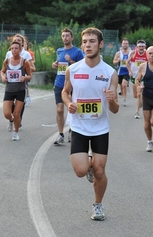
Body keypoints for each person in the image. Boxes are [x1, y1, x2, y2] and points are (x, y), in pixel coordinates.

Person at [62, 27, 119, 221]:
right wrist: (69, 103)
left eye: (92, 41)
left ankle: (98, 205)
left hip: (100, 128)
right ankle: (88, 166)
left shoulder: (110, 73)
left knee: (100, 170)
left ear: (100, 44)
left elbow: (115, 109)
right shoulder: (73, 69)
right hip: (79, 126)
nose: (88, 45)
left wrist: (111, 100)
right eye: (85, 41)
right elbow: (64, 91)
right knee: (80, 171)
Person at [52, 27, 84, 145]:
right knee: (59, 110)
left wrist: (71, 61)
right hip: (60, 83)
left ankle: (72, 130)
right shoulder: (59, 50)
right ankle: (60, 134)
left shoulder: (77, 52)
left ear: (72, 37)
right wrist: (55, 64)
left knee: (72, 109)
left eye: (67, 36)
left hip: (74, 85)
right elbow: (59, 64)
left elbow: (82, 67)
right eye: (63, 36)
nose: (65, 38)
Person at [0, 41, 32, 141]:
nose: (14, 50)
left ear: (20, 50)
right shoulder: (7, 61)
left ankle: (16, 132)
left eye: (16, 48)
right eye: (12, 48)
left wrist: (24, 78)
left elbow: (30, 75)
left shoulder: (24, 62)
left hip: (20, 90)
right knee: (6, 113)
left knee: (17, 113)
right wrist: (3, 77)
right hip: (9, 90)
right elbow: (2, 71)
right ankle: (11, 120)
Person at [5, 34, 35, 131]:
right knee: (10, 106)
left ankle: (18, 121)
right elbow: (5, 68)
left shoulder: (26, 54)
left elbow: (32, 68)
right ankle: (12, 119)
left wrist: (24, 76)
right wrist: (4, 76)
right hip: (10, 84)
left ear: (22, 43)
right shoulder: (8, 54)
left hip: (22, 83)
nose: (17, 41)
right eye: (15, 40)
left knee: (19, 105)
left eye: (19, 40)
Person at [134, 46, 153, 152]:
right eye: (150, 53)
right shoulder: (143, 66)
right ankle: (150, 142)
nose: (152, 55)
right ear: (146, 55)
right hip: (146, 97)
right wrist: (139, 85)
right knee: (146, 122)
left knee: (152, 121)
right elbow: (137, 79)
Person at [127, 39, 148, 119]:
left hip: (143, 76)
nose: (141, 48)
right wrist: (129, 71)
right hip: (135, 76)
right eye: (140, 46)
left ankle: (137, 112)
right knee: (136, 95)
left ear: (145, 46)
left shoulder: (147, 53)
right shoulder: (133, 53)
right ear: (137, 47)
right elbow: (127, 62)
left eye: (143, 46)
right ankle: (141, 102)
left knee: (139, 94)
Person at [112, 38, 131, 106]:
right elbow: (114, 62)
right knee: (121, 86)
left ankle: (125, 99)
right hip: (120, 72)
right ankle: (123, 95)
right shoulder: (118, 53)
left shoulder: (131, 53)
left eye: (126, 44)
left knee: (124, 84)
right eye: (124, 43)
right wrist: (118, 61)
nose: (125, 45)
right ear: (122, 44)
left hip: (127, 71)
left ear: (128, 45)